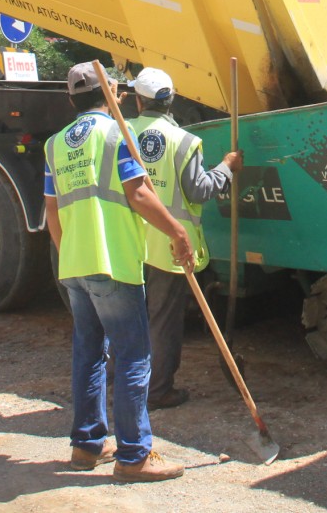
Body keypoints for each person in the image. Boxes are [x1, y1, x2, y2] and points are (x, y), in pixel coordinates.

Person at [43, 62, 193, 483]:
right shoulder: (117, 134)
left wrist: (70, 256)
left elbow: (52, 211)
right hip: (113, 263)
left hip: (74, 264)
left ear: (71, 99)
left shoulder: (54, 144)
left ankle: (87, 444)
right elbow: (139, 194)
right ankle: (133, 454)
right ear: (112, 93)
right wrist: (178, 232)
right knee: (133, 355)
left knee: (89, 353)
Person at [128, 67, 243, 410]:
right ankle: (158, 390)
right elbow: (200, 190)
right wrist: (227, 167)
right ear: (172, 100)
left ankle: (124, 383)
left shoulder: (121, 132)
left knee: (128, 317)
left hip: (128, 241)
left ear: (138, 101)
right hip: (168, 246)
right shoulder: (183, 142)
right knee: (162, 321)